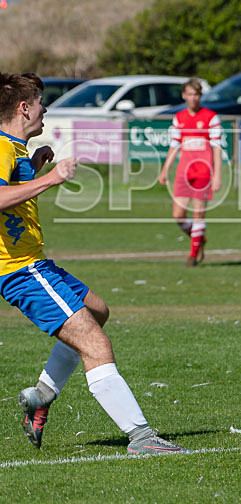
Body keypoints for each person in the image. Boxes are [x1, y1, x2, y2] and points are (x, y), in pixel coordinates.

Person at [0, 72, 188, 453]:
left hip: (35, 263)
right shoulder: (2, 148)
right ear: (23, 108)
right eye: (39, 101)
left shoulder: (15, 149)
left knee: (97, 311)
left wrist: (33, 167)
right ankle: (140, 436)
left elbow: (11, 191)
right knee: (95, 344)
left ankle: (40, 395)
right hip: (19, 270)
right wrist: (51, 179)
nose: (44, 108)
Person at [158, 78, 222, 267]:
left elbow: (217, 148)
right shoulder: (179, 118)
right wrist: (164, 170)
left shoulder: (211, 117)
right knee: (178, 215)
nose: (193, 98)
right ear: (184, 95)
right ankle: (198, 237)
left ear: (200, 96)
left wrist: (217, 174)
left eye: (197, 94)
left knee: (198, 213)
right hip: (184, 171)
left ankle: (193, 255)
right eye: (190, 94)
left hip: (204, 171)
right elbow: (174, 146)